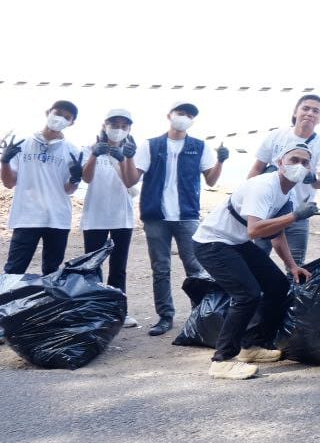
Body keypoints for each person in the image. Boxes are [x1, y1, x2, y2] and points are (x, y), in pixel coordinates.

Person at [191, 144, 317, 380]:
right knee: (247, 294)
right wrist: (296, 216)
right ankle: (222, 360)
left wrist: (291, 266)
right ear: (280, 162)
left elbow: (277, 232)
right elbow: (255, 230)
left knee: (278, 286)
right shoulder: (263, 186)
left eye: (305, 162)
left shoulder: (286, 192)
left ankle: (251, 346)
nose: (299, 166)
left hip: (235, 242)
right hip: (212, 242)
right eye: (294, 160)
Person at [135, 101, 226, 337]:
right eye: (180, 113)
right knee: (160, 268)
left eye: (189, 115)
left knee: (195, 268)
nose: (184, 117)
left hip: (187, 216)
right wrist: (124, 158)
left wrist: (221, 161)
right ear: (169, 115)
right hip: (155, 216)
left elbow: (211, 180)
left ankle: (202, 314)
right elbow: (134, 177)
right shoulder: (151, 145)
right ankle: (165, 316)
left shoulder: (199, 146)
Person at [246, 94, 320, 265]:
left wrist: (311, 176)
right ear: (295, 112)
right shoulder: (276, 136)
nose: (310, 113)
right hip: (268, 210)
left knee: (296, 264)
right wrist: (246, 197)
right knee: (257, 259)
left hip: (299, 212)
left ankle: (294, 291)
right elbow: (257, 168)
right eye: (305, 108)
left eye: (316, 111)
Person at [2, 100, 83, 277]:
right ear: (48, 112)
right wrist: (5, 162)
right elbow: (9, 183)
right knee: (13, 272)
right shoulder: (22, 144)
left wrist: (76, 178)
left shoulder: (72, 151)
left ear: (71, 123)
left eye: (66, 117)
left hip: (57, 219)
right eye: (58, 113)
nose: (60, 119)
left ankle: (47, 305)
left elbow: (68, 190)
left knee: (51, 273)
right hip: (27, 217)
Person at [80, 108, 142, 328]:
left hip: (121, 217)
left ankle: (117, 312)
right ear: (105, 125)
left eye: (124, 126)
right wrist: (95, 154)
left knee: (118, 267)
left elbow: (130, 182)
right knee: (92, 266)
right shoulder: (89, 149)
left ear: (129, 129)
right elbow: (86, 178)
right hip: (94, 216)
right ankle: (93, 310)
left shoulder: (131, 152)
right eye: (114, 124)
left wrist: (126, 158)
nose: (118, 129)